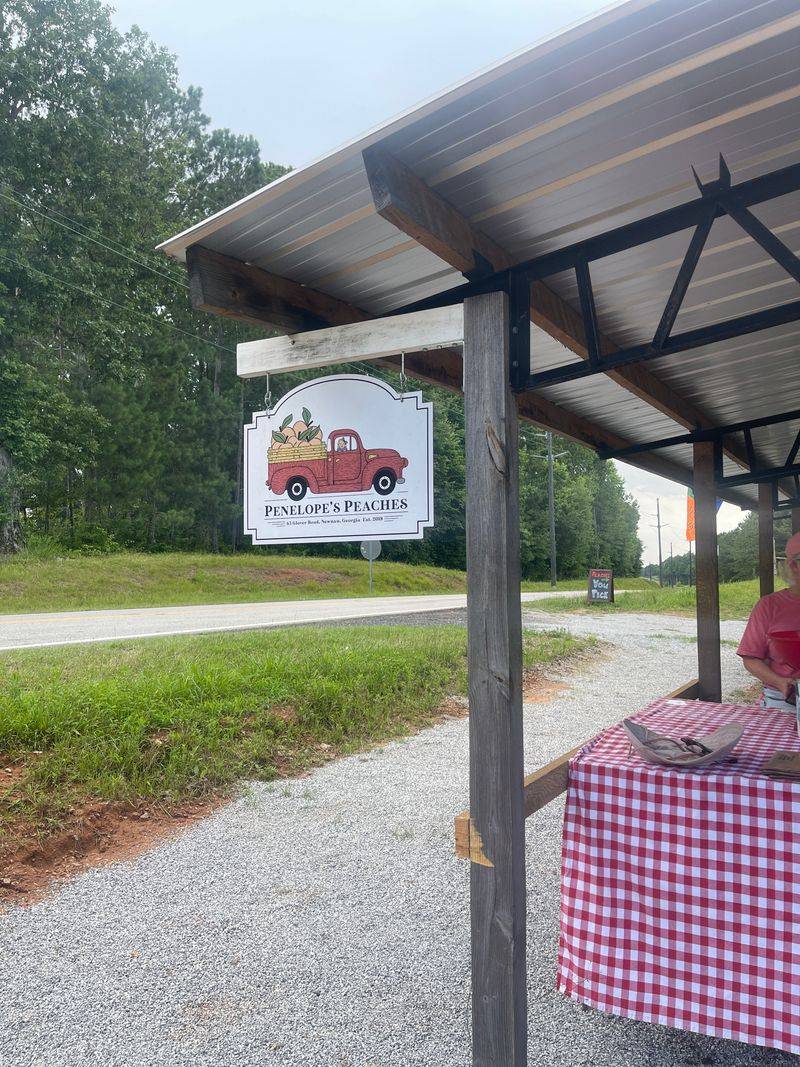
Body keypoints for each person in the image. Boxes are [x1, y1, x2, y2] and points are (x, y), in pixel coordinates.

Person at [737, 531, 800, 710]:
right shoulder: (769, 606)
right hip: (784, 698)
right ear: (793, 565)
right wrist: (779, 681)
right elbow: (750, 658)